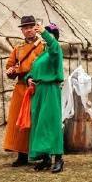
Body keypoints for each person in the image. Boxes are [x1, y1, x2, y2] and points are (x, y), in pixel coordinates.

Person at [2, 15, 46, 166]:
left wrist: (31, 75)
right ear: (22, 31)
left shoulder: (43, 46)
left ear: (36, 28)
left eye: (30, 27)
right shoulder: (18, 49)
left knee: (38, 120)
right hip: (21, 88)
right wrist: (10, 71)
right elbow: (9, 66)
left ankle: (42, 154)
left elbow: (46, 65)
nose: (28, 30)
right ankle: (22, 156)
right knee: (20, 121)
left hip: (38, 88)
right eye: (25, 28)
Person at [26, 22, 65, 173]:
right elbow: (34, 69)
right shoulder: (44, 53)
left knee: (51, 123)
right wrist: (29, 78)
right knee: (40, 124)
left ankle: (59, 159)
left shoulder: (55, 50)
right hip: (39, 90)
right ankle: (46, 158)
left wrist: (44, 32)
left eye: (46, 34)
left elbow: (54, 46)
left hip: (50, 89)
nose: (42, 36)